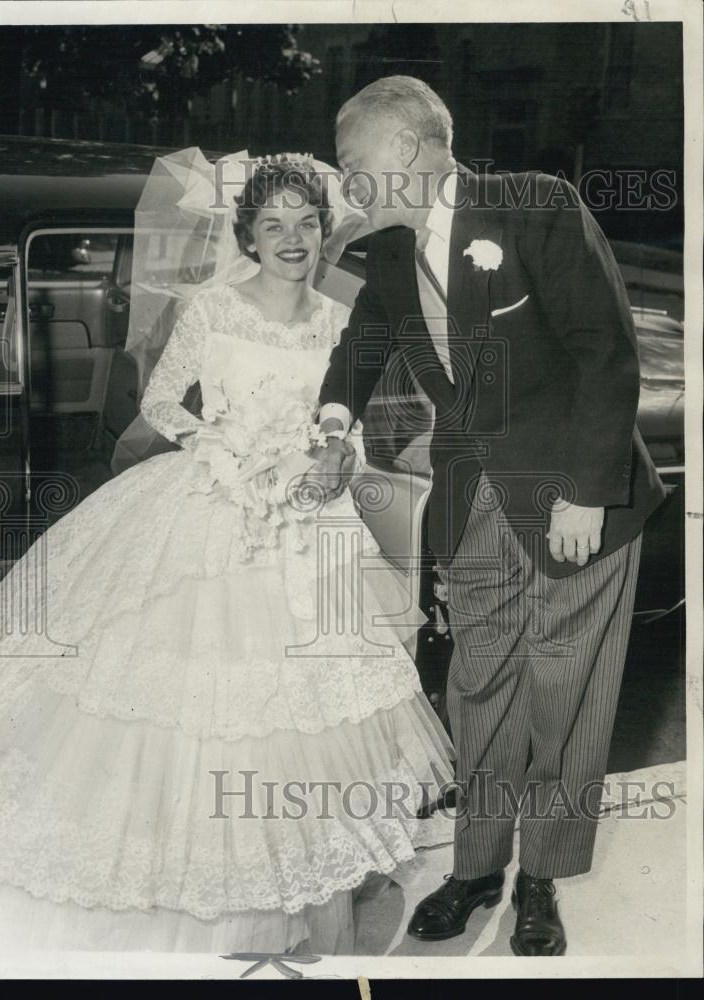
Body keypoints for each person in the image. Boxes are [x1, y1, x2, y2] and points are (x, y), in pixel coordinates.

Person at [0, 153, 454, 956]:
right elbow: (160, 401)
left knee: (311, 713)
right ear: (248, 237)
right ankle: (188, 901)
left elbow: (353, 425)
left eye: (306, 223)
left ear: (323, 232)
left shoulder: (342, 318)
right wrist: (221, 446)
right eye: (273, 225)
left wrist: (328, 459)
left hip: (309, 521)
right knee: (190, 705)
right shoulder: (214, 308)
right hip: (210, 504)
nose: (291, 239)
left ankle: (297, 887)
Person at [317, 76, 666, 956]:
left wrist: (586, 493)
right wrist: (333, 417)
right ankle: (475, 867)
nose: (345, 184)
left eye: (352, 164)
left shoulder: (535, 206)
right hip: (472, 498)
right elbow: (362, 342)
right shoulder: (388, 250)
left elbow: (605, 350)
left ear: (405, 149)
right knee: (477, 686)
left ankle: (541, 876)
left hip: (572, 495)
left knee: (564, 689)